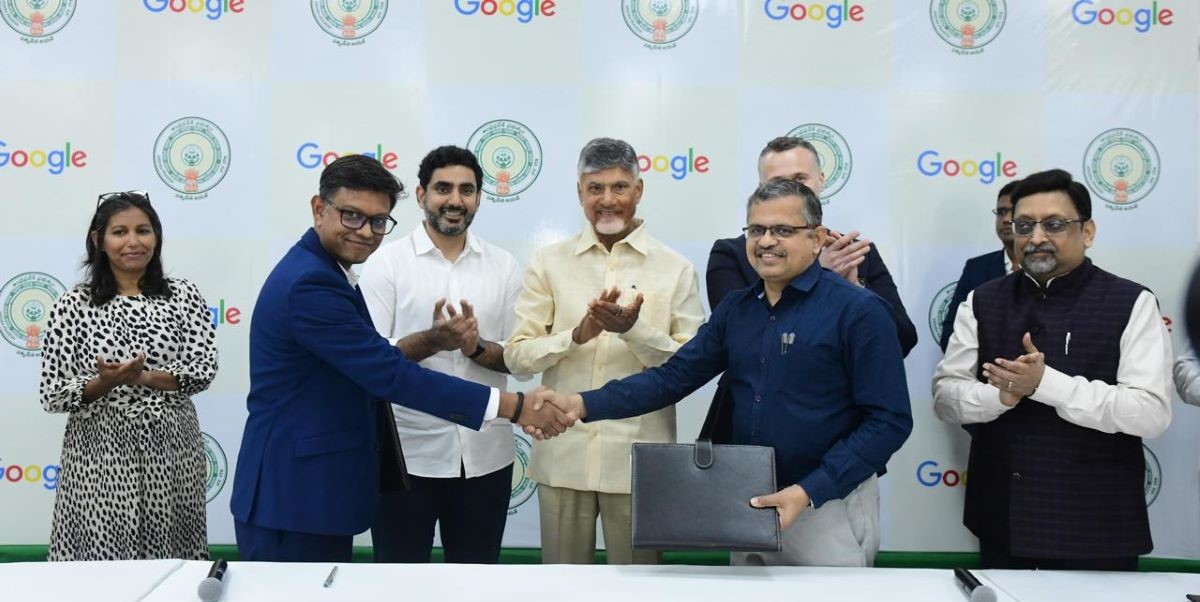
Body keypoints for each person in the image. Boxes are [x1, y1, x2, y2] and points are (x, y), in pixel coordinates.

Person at [538, 179, 912, 567]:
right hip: (746, 503)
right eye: (756, 230)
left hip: (826, 503)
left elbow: (889, 421)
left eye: (783, 230)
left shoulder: (860, 311)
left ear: (817, 238)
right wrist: (579, 404)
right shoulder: (736, 309)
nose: (766, 241)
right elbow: (670, 379)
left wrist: (807, 491)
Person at [230, 155, 571, 563]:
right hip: (293, 496)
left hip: (315, 490)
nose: (367, 232)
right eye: (352, 216)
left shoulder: (327, 271)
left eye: (378, 221)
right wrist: (515, 406)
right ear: (319, 209)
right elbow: (388, 372)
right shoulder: (311, 283)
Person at [933, 168, 1172, 571]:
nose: (1037, 237)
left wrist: (1047, 385)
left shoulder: (1132, 301)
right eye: (1023, 225)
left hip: (1097, 526)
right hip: (1001, 522)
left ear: (1088, 231)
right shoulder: (982, 300)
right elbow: (946, 397)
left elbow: (1150, 412)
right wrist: (1000, 396)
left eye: (1054, 224)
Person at [504, 137, 705, 564]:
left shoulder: (676, 269)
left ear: (638, 190)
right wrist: (575, 336)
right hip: (563, 454)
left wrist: (635, 330)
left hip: (639, 465)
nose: (607, 200)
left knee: (640, 591)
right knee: (562, 588)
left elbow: (691, 369)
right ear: (580, 192)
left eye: (619, 187)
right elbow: (517, 359)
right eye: (595, 188)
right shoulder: (549, 262)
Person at [360, 146, 526, 564]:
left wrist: (473, 347)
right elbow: (371, 361)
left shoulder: (505, 266)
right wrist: (433, 340)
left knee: (476, 582)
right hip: (406, 458)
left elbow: (517, 359)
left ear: (479, 198)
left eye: (466, 190)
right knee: (398, 583)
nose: (455, 200)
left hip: (486, 456)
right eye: (443, 189)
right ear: (420, 195)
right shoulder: (385, 263)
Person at [40, 190, 218, 561]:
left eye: (143, 230)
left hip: (172, 449)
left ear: (157, 236)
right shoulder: (73, 305)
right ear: (98, 241)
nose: (133, 242)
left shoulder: (183, 296)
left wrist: (146, 378)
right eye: (120, 232)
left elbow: (203, 370)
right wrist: (104, 382)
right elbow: (53, 393)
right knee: (100, 562)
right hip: (99, 452)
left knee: (171, 559)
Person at [707, 136, 917, 355]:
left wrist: (854, 288)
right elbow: (737, 341)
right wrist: (818, 277)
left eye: (800, 179)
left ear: (821, 180)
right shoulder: (733, 254)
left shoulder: (854, 253)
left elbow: (902, 341)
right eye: (778, 182)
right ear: (761, 188)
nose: (791, 190)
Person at [938, 179, 1022, 351]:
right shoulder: (976, 268)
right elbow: (950, 336)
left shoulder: (1049, 266)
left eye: (1014, 212)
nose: (1006, 219)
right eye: (1001, 212)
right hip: (984, 373)